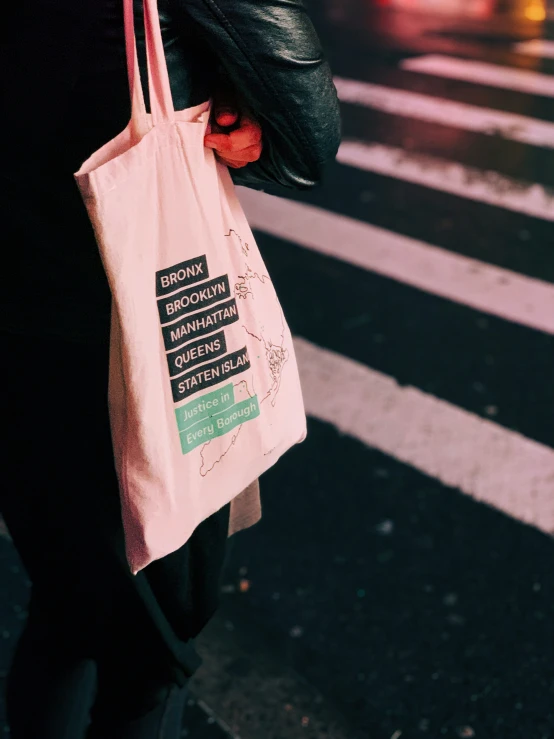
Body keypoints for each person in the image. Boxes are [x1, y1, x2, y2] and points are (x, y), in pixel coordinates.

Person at [0, 0, 341, 737]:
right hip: (125, 345)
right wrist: (243, 117)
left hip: (15, 336)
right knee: (148, 662)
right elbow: (309, 134)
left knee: (63, 604)